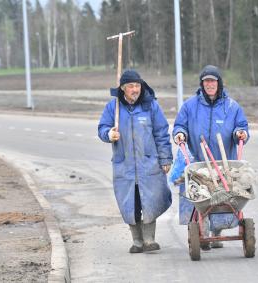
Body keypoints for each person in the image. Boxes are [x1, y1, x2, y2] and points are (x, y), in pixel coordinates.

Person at [172, 65, 249, 249]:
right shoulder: (190, 106)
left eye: (213, 81)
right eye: (206, 81)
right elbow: (179, 125)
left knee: (223, 198)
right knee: (203, 198)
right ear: (202, 84)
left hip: (224, 163)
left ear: (219, 82)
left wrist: (241, 133)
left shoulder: (231, 106)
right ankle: (202, 230)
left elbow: (242, 125)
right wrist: (180, 133)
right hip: (199, 163)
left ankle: (217, 231)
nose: (210, 84)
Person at [98, 69, 173, 253]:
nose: (135, 89)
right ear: (123, 88)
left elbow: (161, 133)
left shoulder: (151, 106)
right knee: (131, 203)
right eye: (131, 86)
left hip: (149, 164)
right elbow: (102, 128)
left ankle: (149, 240)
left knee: (150, 199)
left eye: (137, 85)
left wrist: (165, 158)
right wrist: (109, 134)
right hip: (124, 165)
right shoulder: (113, 107)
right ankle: (137, 241)